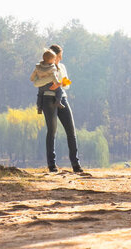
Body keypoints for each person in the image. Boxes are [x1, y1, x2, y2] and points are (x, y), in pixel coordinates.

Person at [30, 44, 83, 173]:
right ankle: (52, 165)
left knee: (71, 131)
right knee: (52, 131)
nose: (60, 58)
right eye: (59, 56)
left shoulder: (62, 67)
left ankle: (76, 164)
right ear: (53, 57)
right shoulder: (42, 67)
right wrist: (50, 81)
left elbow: (67, 84)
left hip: (62, 98)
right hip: (48, 99)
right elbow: (36, 82)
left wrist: (61, 84)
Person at [29, 49, 65, 114]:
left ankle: (39, 107)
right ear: (51, 60)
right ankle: (58, 102)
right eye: (54, 59)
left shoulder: (38, 66)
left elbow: (34, 73)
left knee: (40, 95)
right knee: (59, 90)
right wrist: (57, 83)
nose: (54, 61)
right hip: (49, 86)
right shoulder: (52, 67)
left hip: (41, 86)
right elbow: (53, 76)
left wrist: (31, 78)